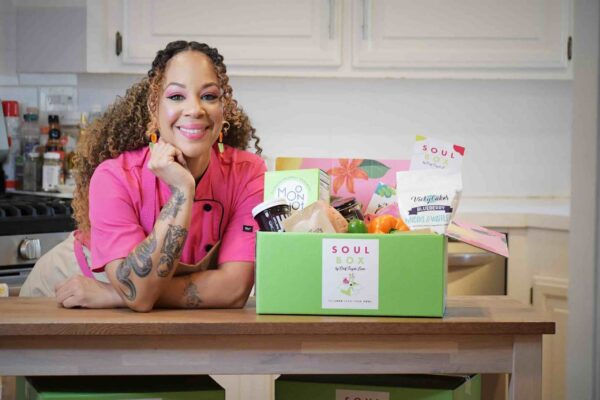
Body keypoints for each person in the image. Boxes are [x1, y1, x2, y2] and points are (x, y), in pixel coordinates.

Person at [20, 41, 266, 312]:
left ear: (224, 107)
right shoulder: (115, 177)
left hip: (110, 296)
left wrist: (115, 295)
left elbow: (234, 290)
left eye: (209, 96)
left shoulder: (248, 174)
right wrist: (183, 191)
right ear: (153, 106)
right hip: (68, 290)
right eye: (176, 96)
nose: (195, 109)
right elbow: (138, 294)